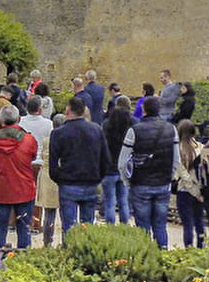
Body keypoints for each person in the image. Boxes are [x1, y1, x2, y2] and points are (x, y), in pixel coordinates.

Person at [117, 95, 177, 248]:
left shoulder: (134, 131)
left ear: (143, 110)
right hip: (162, 184)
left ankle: (145, 258)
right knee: (160, 225)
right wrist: (168, 178)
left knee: (142, 227)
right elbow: (177, 161)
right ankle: (163, 257)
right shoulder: (171, 129)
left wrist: (127, 181)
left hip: (140, 184)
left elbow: (122, 163)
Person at [48, 96, 109, 232]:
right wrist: (98, 177)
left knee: (69, 227)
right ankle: (85, 251)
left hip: (69, 182)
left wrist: (59, 178)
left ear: (68, 111)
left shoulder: (58, 133)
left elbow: (52, 163)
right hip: (90, 181)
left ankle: (69, 251)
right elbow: (105, 159)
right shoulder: (96, 130)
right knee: (88, 226)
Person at [0, 104, 38, 253]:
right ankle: (24, 262)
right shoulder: (29, 140)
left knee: (0, 229)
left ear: (1, 120)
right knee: (24, 229)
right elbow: (32, 157)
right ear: (19, 119)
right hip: (23, 189)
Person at [20, 96, 57, 242]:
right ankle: (35, 223)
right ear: (40, 109)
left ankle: (16, 221)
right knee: (38, 194)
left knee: (21, 192)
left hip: (25, 160)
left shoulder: (21, 121)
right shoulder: (48, 123)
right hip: (40, 161)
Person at [100, 94, 132, 224]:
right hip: (124, 168)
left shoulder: (107, 126)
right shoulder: (131, 125)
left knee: (109, 203)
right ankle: (125, 226)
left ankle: (111, 228)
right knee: (124, 201)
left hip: (109, 168)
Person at [174, 121, 206, 248]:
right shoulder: (201, 147)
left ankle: (189, 250)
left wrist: (191, 189)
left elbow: (182, 174)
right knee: (200, 223)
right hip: (199, 190)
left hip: (183, 190)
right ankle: (201, 249)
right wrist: (198, 192)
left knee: (187, 225)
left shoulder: (178, 150)